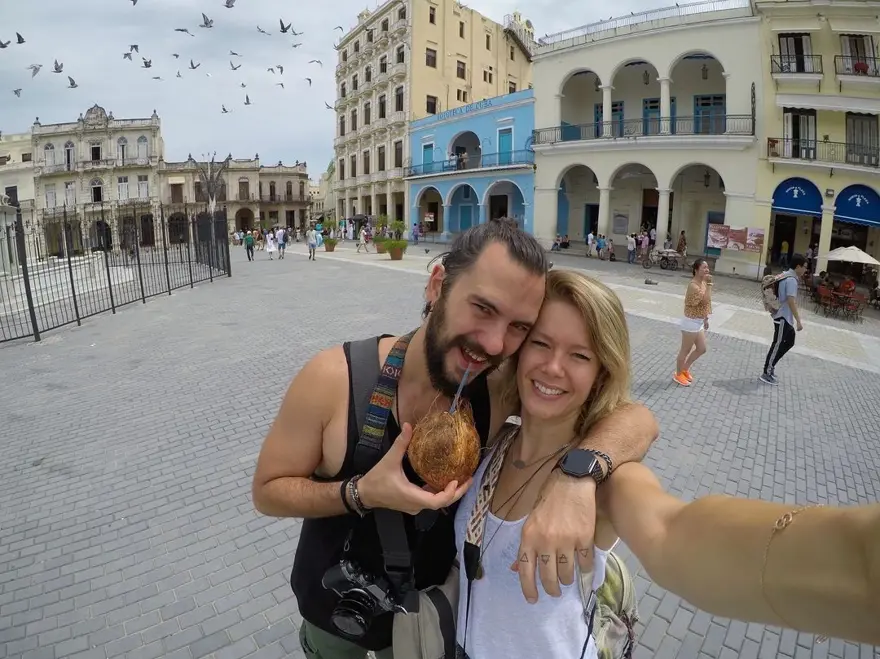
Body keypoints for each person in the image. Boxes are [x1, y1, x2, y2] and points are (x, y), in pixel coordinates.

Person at [251, 219, 659, 659]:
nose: (493, 342)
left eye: (519, 326)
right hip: (333, 610)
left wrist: (578, 477)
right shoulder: (335, 380)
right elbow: (268, 492)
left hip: (427, 623)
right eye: (482, 308)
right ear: (437, 285)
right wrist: (360, 492)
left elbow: (634, 417)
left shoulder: (498, 387)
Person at [454, 269, 880, 658]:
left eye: (579, 356)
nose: (552, 367)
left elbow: (674, 532)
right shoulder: (492, 443)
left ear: (602, 373)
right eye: (540, 344)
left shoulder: (604, 484)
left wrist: (857, 566)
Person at [761, 254, 806, 386]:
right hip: (782, 317)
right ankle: (766, 372)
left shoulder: (784, 274)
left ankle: (772, 364)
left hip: (784, 317)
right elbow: (791, 301)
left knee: (790, 341)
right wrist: (798, 320)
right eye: (804, 267)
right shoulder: (791, 279)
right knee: (777, 344)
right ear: (798, 266)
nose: (805, 270)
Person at [673, 258, 712, 387]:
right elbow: (705, 300)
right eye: (704, 268)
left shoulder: (703, 283)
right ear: (696, 270)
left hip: (699, 322)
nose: (707, 270)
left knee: (702, 348)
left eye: (707, 267)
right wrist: (709, 285)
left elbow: (706, 305)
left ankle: (685, 369)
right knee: (685, 350)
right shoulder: (694, 285)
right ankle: (678, 374)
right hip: (690, 322)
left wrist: (706, 319)